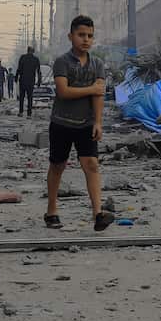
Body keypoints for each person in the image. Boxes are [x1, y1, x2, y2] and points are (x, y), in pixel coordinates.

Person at [45, 16, 112, 232]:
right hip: (61, 123)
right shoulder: (62, 62)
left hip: (86, 124)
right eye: (81, 35)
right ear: (71, 36)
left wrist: (99, 123)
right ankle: (51, 211)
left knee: (91, 165)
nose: (86, 40)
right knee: (57, 166)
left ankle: (98, 214)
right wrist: (91, 89)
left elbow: (99, 95)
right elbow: (63, 91)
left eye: (90, 36)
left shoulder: (97, 64)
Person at [15, 46, 40, 118]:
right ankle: (29, 114)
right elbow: (38, 71)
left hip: (23, 80)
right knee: (30, 97)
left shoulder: (22, 57)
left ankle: (21, 112)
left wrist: (16, 78)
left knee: (22, 97)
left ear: (27, 50)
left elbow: (19, 69)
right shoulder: (36, 59)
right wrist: (39, 81)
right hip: (31, 81)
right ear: (33, 51)